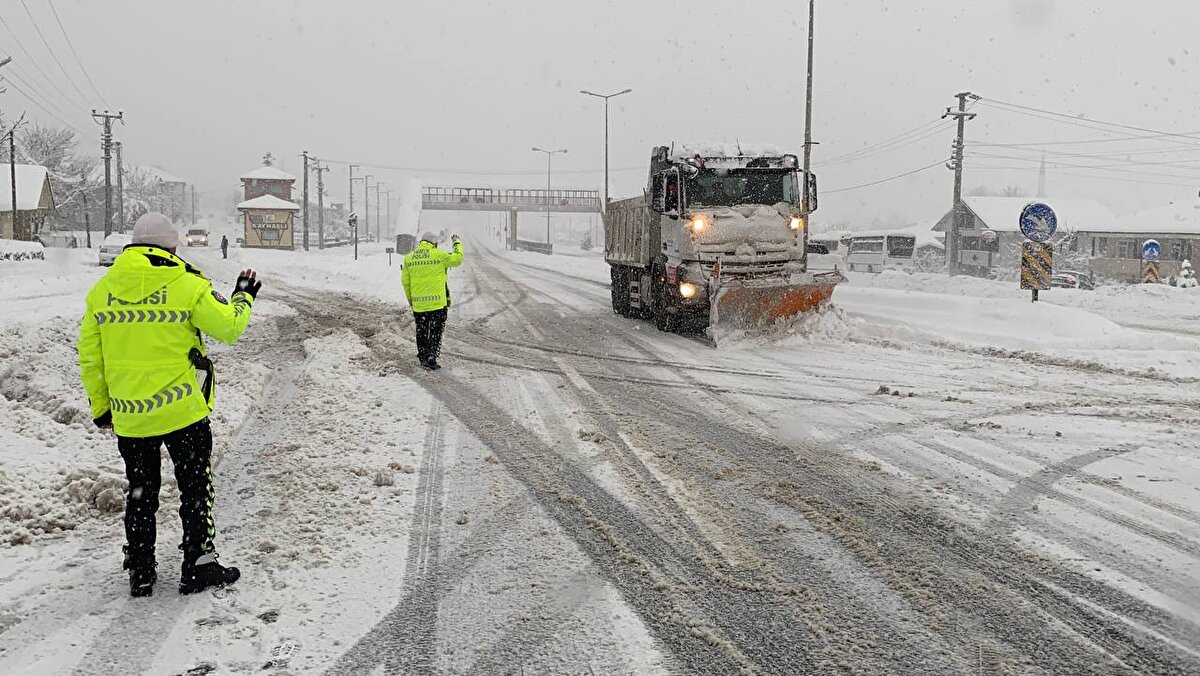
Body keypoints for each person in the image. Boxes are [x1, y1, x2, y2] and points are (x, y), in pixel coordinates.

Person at [77, 213, 261, 597]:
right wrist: (243, 295)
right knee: (195, 489)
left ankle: (141, 570)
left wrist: (102, 408)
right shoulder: (186, 284)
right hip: (182, 412)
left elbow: (90, 357)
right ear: (172, 247)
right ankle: (198, 565)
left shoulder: (102, 290)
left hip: (130, 415)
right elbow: (229, 327)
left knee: (140, 490)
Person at [401, 231, 463, 370]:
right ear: (434, 243)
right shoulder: (439, 255)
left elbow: (405, 282)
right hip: (437, 304)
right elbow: (457, 259)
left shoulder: (409, 258)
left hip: (419, 305)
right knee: (435, 331)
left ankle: (423, 356)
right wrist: (456, 243)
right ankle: (432, 356)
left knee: (421, 330)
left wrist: (411, 300)